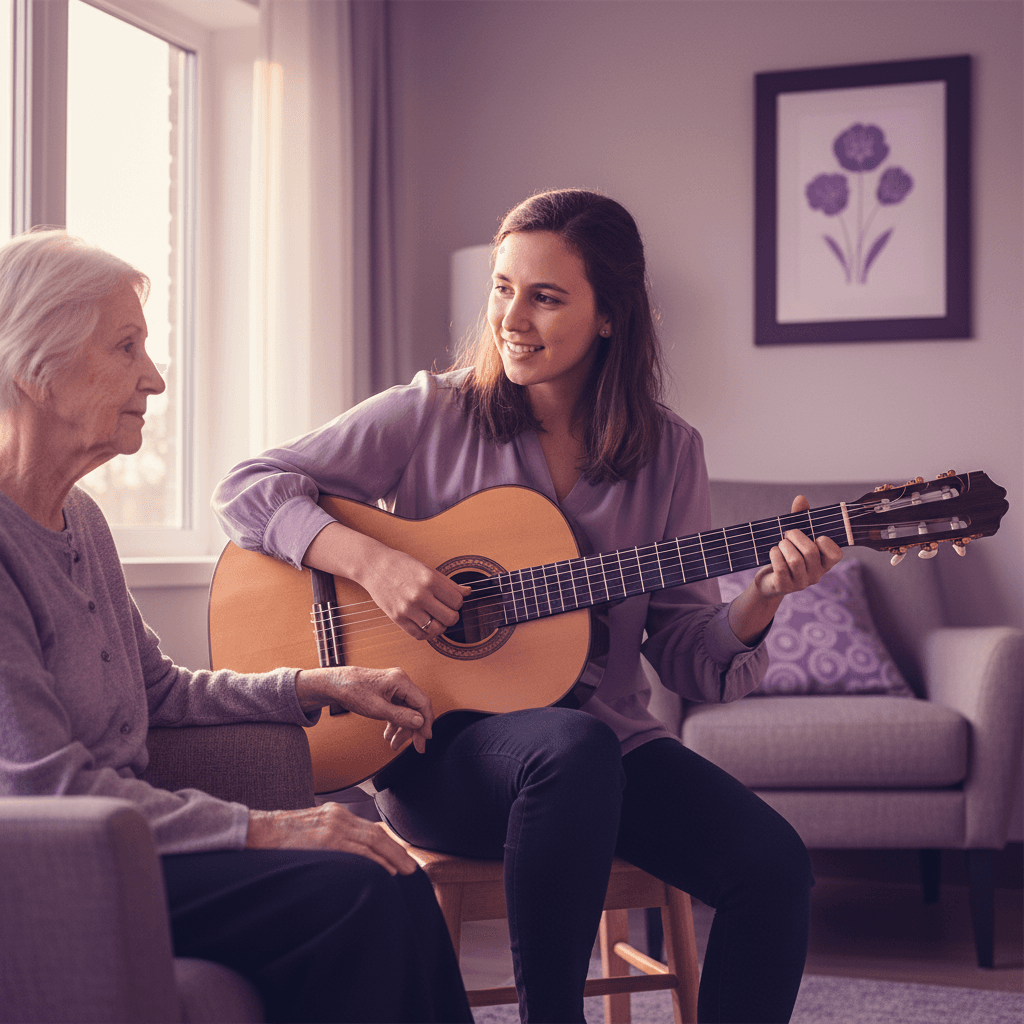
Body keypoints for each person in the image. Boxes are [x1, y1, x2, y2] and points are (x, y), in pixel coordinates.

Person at [213, 189, 843, 1024]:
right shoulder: (430, 411)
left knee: (774, 865)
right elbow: (245, 488)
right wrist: (374, 560)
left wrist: (760, 598)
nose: (512, 317)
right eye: (503, 288)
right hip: (433, 747)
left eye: (545, 296)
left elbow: (688, 653)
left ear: (610, 316)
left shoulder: (668, 451)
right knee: (569, 749)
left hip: (608, 753)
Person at [0, 229, 473, 1024]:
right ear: (36, 370)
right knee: (357, 886)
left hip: (133, 851)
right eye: (126, 346)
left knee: (389, 878)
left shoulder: (79, 518)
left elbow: (160, 691)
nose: (152, 376)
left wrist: (320, 684)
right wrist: (265, 828)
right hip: (63, 875)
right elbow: (50, 789)